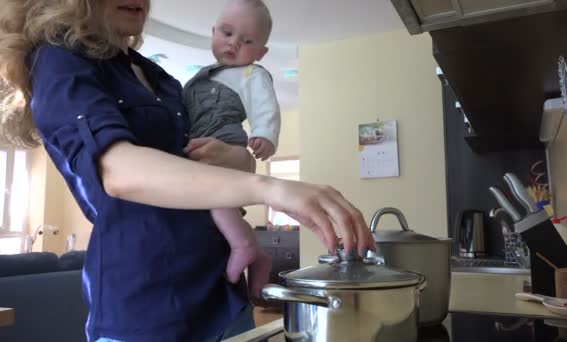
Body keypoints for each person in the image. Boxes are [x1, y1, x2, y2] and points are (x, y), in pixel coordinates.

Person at [0, 0, 375, 341]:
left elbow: (196, 161)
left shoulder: (156, 76)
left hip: (223, 293)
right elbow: (117, 170)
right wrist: (270, 188)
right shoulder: (58, 60)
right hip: (148, 305)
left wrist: (240, 159)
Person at [182, 0, 279, 298]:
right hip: (199, 142)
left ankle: (243, 245)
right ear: (213, 32)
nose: (234, 43)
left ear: (260, 52)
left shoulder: (253, 74)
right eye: (227, 33)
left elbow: (266, 106)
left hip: (225, 140)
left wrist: (265, 135)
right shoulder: (201, 76)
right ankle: (258, 255)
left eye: (247, 41)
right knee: (220, 204)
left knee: (212, 194)